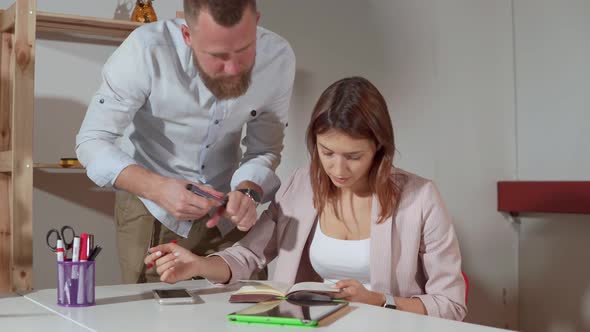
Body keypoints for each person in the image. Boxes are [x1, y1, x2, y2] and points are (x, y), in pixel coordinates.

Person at [145, 77, 467, 320]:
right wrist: (198, 264)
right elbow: (248, 256)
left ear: (379, 148)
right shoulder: (302, 185)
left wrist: (380, 300)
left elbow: (451, 305)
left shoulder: (420, 198)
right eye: (326, 152)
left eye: (353, 156)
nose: (337, 169)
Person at [75, 0, 295, 283]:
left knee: (244, 310)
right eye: (217, 55)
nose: (232, 69)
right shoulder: (145, 50)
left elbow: (264, 149)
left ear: (256, 22)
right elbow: (92, 141)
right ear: (187, 36)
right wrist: (157, 188)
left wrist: (249, 191)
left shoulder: (278, 57)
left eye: (244, 51)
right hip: (150, 206)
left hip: (227, 212)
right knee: (152, 318)